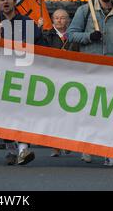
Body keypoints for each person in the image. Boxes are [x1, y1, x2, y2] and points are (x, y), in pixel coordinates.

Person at [67, 0, 113, 167]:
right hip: (90, 68)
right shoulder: (85, 10)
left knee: (110, 111)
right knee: (89, 110)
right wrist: (89, 36)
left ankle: (109, 151)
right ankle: (87, 146)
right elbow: (71, 34)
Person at [0, 0, 44, 166]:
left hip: (22, 73)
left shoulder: (26, 22)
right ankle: (11, 149)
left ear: (14, 2)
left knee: (22, 111)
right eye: (2, 0)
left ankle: (23, 148)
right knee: (4, 112)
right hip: (1, 74)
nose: (5, 3)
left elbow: (38, 43)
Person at [42, 9, 77, 157]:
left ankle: (68, 142)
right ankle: (54, 145)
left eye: (63, 18)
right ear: (52, 20)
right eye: (56, 18)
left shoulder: (74, 36)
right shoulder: (46, 36)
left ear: (68, 20)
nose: (59, 21)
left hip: (70, 78)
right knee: (54, 113)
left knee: (69, 113)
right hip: (53, 79)